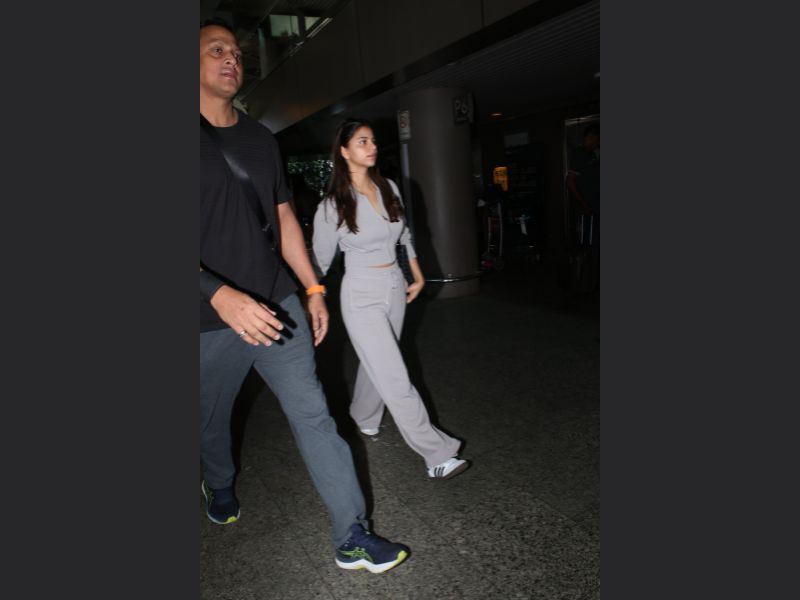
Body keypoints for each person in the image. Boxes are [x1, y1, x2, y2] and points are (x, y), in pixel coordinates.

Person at [198, 19, 408, 573]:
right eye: (217, 50)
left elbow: (285, 217)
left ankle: (353, 534)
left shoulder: (258, 139)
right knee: (210, 422)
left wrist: (312, 287)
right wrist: (217, 294)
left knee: (315, 415)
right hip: (207, 319)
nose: (232, 59)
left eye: (237, 52)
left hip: (276, 303)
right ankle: (218, 481)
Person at [312, 119, 470, 481]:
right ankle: (436, 454)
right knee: (395, 374)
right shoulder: (333, 204)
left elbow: (404, 234)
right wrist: (310, 297)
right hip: (361, 292)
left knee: (379, 363)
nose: (372, 147)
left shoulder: (388, 187)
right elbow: (319, 261)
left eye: (373, 141)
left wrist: (416, 273)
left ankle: (363, 417)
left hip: (395, 286)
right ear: (344, 151)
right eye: (362, 141)